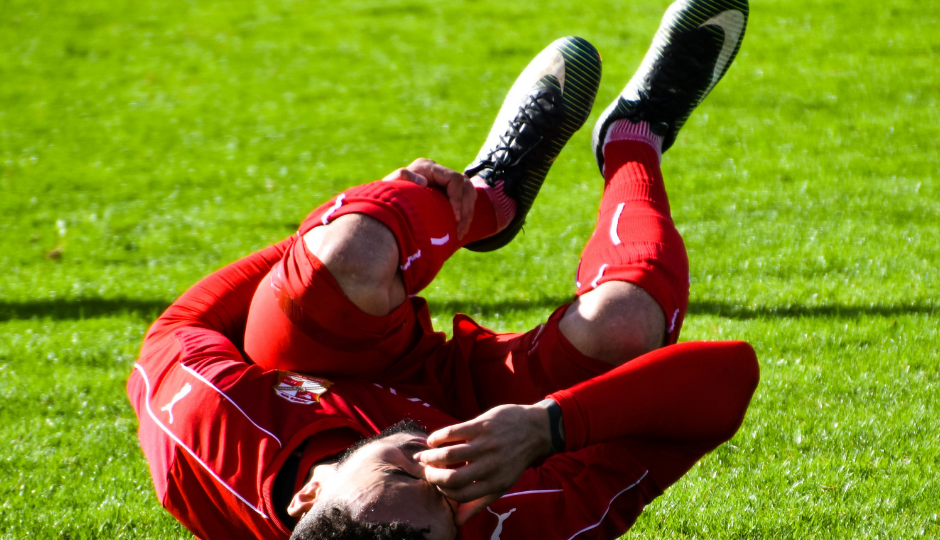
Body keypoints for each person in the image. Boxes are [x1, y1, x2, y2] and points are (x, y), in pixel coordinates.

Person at [126, 1, 758, 539]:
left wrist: (374, 220)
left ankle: (486, 199)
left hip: (310, 362)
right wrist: (550, 426)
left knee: (348, 254)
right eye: (452, 505)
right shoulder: (507, 518)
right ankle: (635, 134)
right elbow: (729, 375)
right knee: (625, 325)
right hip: (479, 404)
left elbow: (173, 333)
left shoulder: (208, 441)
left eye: (407, 474)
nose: (439, 465)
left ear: (309, 497)